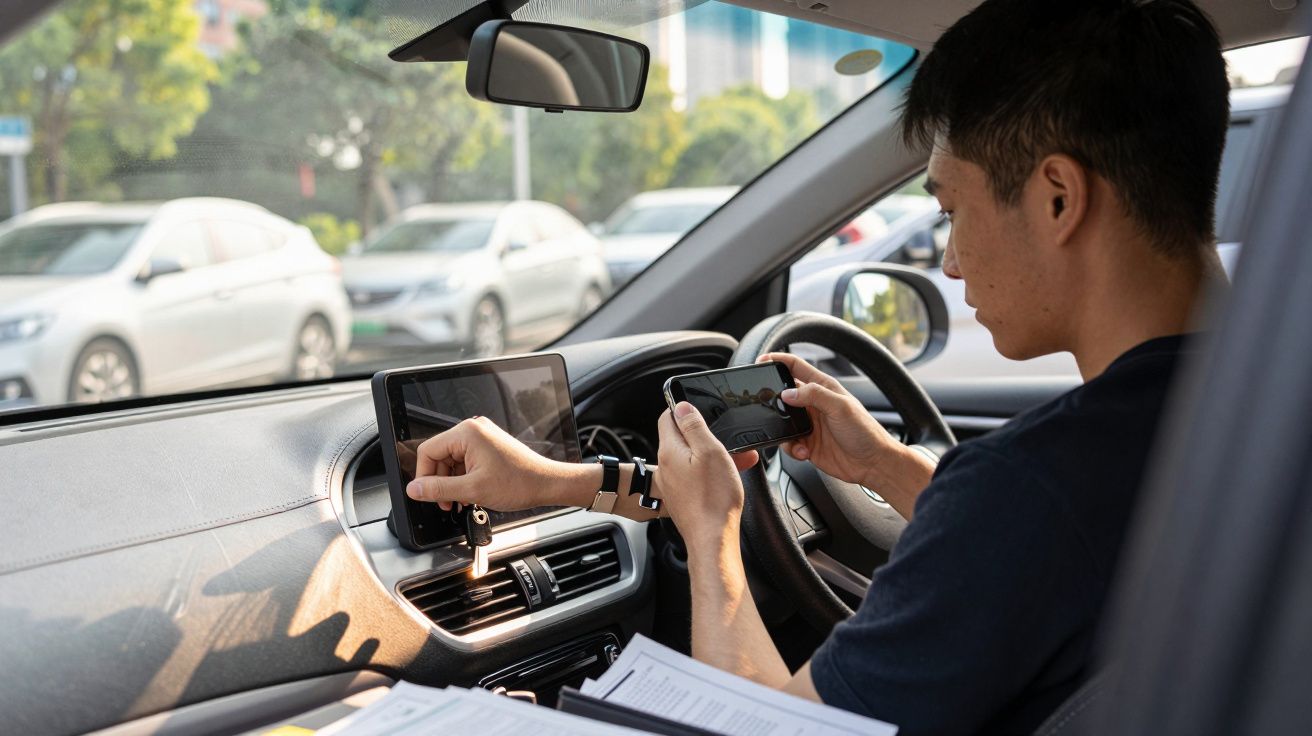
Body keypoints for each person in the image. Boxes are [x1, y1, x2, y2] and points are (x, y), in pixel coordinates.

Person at [402, 0, 1231, 732]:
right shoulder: (1245, 412)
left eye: (951, 211)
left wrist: (713, 536)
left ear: (1057, 197)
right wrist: (883, 466)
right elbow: (1049, 543)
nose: (949, 261)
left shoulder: (1027, 490)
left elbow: (771, 726)